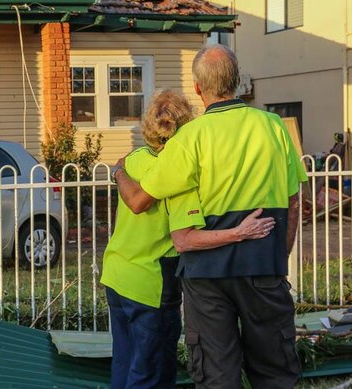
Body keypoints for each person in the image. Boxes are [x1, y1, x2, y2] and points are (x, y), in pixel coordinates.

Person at [114, 45, 308, 389]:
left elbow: (141, 198)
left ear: (199, 88)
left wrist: (120, 173)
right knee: (276, 369)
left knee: (217, 374)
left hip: (206, 277)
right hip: (264, 266)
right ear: (238, 82)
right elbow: (294, 202)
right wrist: (279, 255)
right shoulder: (274, 127)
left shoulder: (188, 138)